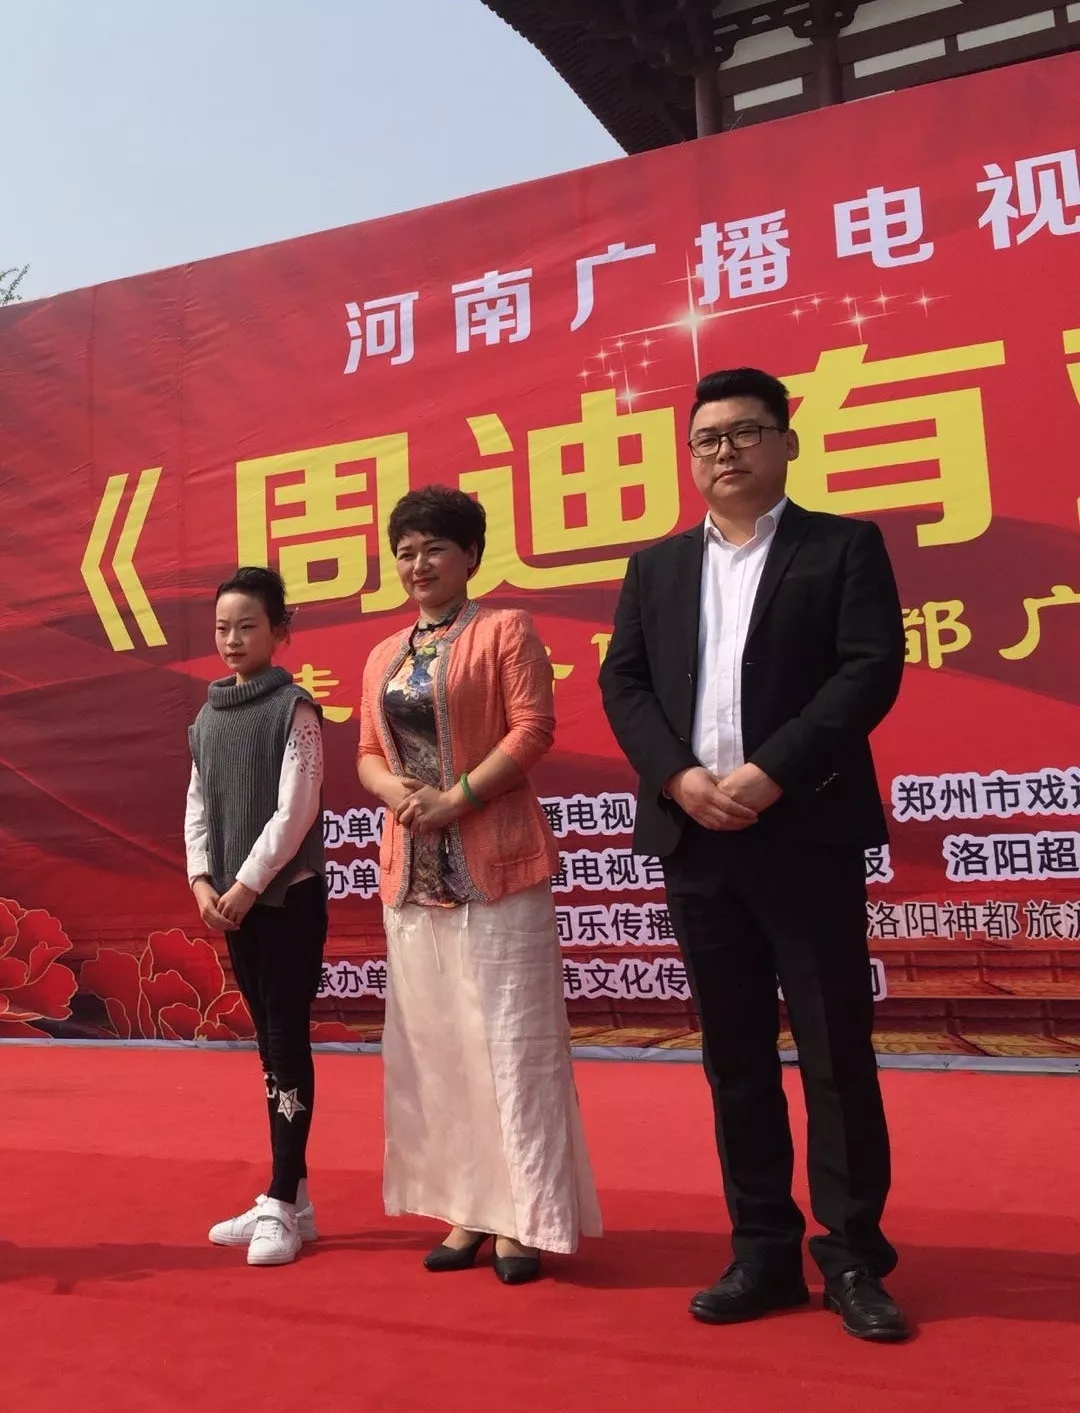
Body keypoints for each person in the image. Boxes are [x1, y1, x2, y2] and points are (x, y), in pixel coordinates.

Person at [599, 368, 909, 1342]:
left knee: (834, 1052)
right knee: (734, 1056)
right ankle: (763, 1251)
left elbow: (869, 671)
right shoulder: (655, 568)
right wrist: (678, 778)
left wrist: (773, 771)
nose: (724, 451)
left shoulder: (842, 547)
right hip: (698, 838)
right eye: (707, 439)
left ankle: (853, 1256)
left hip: (805, 829)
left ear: (786, 441)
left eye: (744, 432)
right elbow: (624, 684)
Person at [357, 484, 602, 1284]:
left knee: (511, 1044)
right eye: (404, 551)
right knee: (441, 1050)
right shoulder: (382, 655)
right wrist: (396, 794)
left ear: (469, 555)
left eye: (433, 548)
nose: (417, 564)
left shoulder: (506, 630)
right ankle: (467, 1209)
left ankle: (523, 1217)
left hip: (496, 865)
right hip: (413, 876)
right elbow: (367, 752)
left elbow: (533, 729)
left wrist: (456, 798)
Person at [184, 565, 327, 1268]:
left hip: (286, 900)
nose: (233, 639)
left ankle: (280, 1197)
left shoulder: (295, 709)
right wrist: (201, 879)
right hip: (233, 907)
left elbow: (296, 810)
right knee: (268, 1046)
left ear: (279, 632)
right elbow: (197, 804)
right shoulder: (206, 718)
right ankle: (290, 1199)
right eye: (222, 628)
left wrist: (245, 884)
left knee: (286, 1037)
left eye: (247, 626)